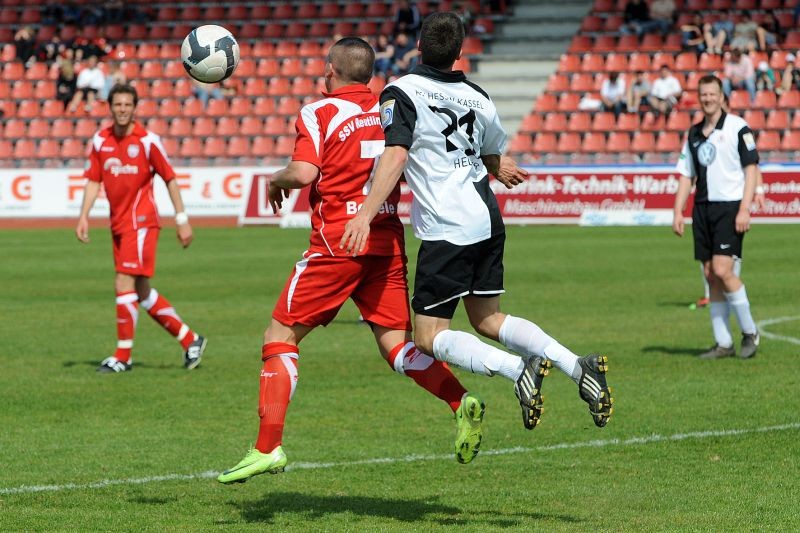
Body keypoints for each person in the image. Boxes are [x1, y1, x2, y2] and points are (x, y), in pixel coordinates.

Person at [217, 38, 482, 485]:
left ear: (330, 73)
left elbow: (304, 173)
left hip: (337, 242)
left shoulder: (317, 112)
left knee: (279, 336)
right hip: (384, 239)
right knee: (397, 345)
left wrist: (274, 178)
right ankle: (460, 400)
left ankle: (267, 447)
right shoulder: (394, 104)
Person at [341, 13, 614, 435]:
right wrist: (496, 166)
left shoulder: (402, 91)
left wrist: (364, 212)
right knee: (488, 319)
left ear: (418, 45)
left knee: (428, 337)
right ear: (460, 52)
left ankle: (516, 369)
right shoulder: (478, 96)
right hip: (486, 219)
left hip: (447, 227)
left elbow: (396, 155)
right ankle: (578, 367)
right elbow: (488, 152)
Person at [75, 84, 207, 372]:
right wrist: (83, 215)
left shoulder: (148, 141)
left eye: (127, 105)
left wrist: (182, 220)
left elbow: (170, 178)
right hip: (118, 225)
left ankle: (123, 357)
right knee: (141, 289)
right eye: (117, 105)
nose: (122, 109)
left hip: (142, 222)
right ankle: (190, 339)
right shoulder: (100, 140)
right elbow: (93, 180)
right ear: (110, 107)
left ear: (135, 108)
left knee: (123, 283)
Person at [672, 75, 760, 359]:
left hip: (730, 208)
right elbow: (687, 174)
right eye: (703, 94)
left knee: (724, 271)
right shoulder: (694, 133)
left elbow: (751, 169)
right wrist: (678, 210)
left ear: (722, 97)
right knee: (711, 276)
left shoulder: (738, 127)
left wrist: (745, 208)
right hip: (702, 209)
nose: (708, 98)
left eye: (712, 94)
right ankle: (724, 343)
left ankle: (750, 332)